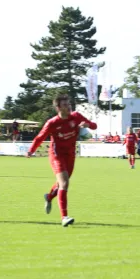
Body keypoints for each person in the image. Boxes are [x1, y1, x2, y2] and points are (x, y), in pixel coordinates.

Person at [27, 95, 97, 227]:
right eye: (65, 105)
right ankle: (64, 217)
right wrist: (31, 150)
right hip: (56, 155)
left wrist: (88, 124)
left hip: (70, 155)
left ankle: (49, 197)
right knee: (64, 183)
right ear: (58, 108)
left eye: (69, 104)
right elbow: (40, 137)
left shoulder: (76, 116)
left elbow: (94, 126)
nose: (69, 107)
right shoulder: (52, 123)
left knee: (61, 184)